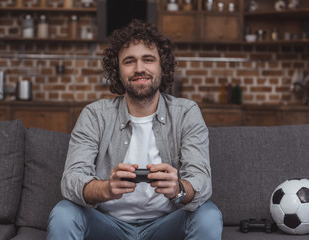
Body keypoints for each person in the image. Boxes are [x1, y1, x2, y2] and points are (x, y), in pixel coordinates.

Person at [47, 19, 223, 240]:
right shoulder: (95, 115)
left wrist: (178, 189)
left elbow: (201, 181)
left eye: (148, 59)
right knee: (64, 212)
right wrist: (106, 189)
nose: (139, 69)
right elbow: (72, 179)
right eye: (129, 61)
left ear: (162, 65)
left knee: (208, 215)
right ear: (118, 70)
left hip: (166, 226)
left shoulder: (186, 113)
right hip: (107, 226)